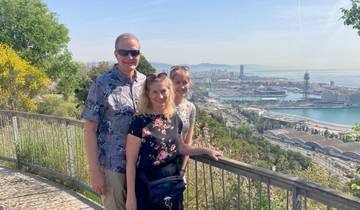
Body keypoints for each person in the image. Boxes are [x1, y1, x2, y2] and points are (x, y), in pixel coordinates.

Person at [126, 73, 222, 210]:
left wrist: (207, 151)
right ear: (147, 93)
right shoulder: (139, 121)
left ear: (169, 91)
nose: (160, 96)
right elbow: (130, 161)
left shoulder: (174, 118)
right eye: (155, 91)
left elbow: (182, 148)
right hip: (147, 187)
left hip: (171, 186)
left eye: (163, 91)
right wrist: (131, 197)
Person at [81, 33, 146, 210]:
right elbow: (89, 129)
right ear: (115, 54)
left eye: (134, 52)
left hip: (143, 165)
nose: (129, 57)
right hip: (113, 166)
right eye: (124, 52)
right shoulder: (101, 84)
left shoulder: (145, 83)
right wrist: (95, 172)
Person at [169, 66, 196, 176]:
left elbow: (188, 141)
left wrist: (183, 168)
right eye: (177, 82)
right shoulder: (162, 105)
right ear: (170, 83)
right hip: (159, 164)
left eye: (185, 82)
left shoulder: (190, 108)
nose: (181, 86)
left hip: (178, 165)